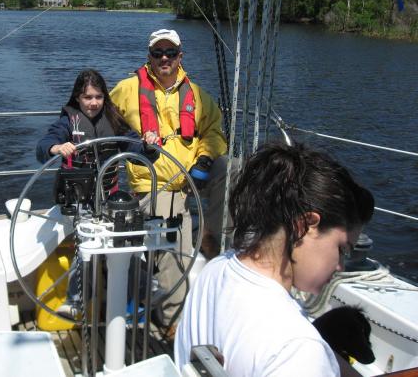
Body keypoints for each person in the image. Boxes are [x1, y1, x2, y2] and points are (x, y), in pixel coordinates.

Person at [175, 142, 374, 377]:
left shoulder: (216, 270)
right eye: (341, 248)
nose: (340, 266)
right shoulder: (299, 351)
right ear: (305, 225)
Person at [110, 29, 228, 330]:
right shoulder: (126, 89)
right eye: (158, 53)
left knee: (233, 167)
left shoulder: (197, 94)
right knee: (173, 232)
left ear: (180, 56)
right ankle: (173, 319)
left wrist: (204, 159)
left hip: (193, 175)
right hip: (155, 182)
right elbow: (99, 117)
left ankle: (215, 238)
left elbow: (213, 131)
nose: (164, 58)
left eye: (170, 53)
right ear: (149, 57)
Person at [36, 68, 158, 315]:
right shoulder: (67, 122)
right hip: (78, 198)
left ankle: (148, 290)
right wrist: (57, 147)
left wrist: (149, 146)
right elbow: (43, 146)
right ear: (77, 99)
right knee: (87, 241)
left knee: (126, 241)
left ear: (105, 98)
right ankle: (77, 300)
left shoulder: (114, 121)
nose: (93, 103)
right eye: (87, 97)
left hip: (110, 196)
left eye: (98, 97)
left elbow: (137, 150)